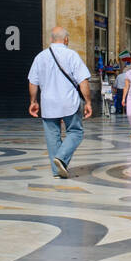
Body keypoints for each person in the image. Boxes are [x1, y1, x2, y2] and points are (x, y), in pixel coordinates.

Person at [28, 25, 92, 179]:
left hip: (48, 103)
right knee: (76, 132)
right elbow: (83, 81)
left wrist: (33, 101)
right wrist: (88, 102)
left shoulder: (40, 57)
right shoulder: (72, 55)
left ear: (51, 39)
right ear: (66, 39)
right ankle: (61, 158)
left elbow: (33, 82)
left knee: (52, 136)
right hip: (68, 102)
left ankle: (57, 171)